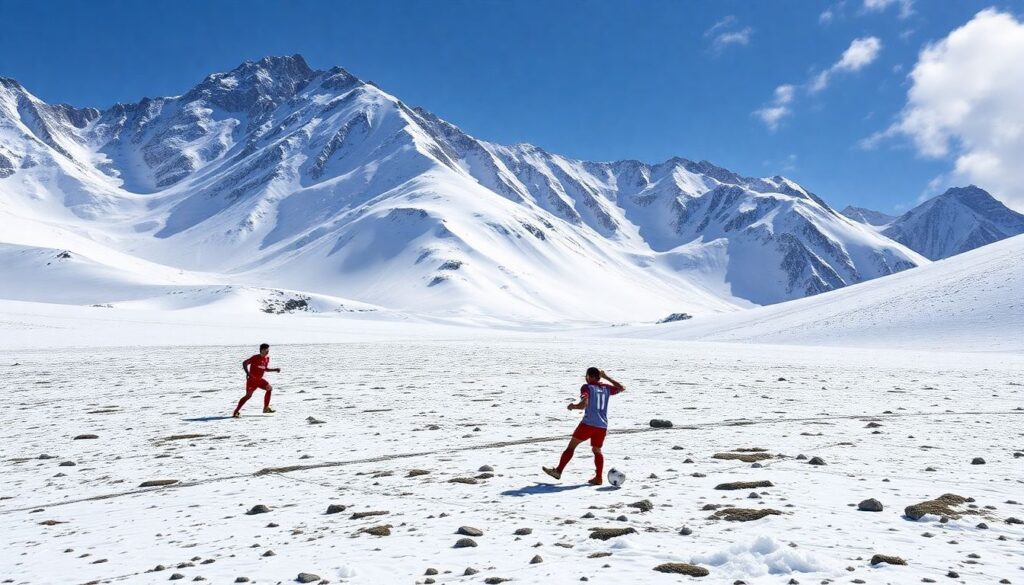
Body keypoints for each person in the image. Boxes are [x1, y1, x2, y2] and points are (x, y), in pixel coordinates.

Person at [543, 367, 625, 485]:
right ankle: (598, 478)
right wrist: (606, 377)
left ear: (590, 377)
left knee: (571, 447)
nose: (585, 378)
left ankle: (558, 471)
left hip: (588, 424)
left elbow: (583, 405)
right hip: (602, 426)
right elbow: (621, 388)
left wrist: (574, 406)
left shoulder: (587, 387)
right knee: (597, 450)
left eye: (586, 376)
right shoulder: (606, 388)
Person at [233, 343, 280, 417]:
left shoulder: (267, 358)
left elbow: (265, 369)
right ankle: (236, 412)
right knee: (248, 396)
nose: (267, 351)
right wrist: (248, 373)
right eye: (266, 350)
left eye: (268, 350)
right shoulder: (255, 357)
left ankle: (266, 408)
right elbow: (244, 363)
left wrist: (275, 369)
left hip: (259, 380)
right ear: (261, 350)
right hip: (252, 381)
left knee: (269, 388)